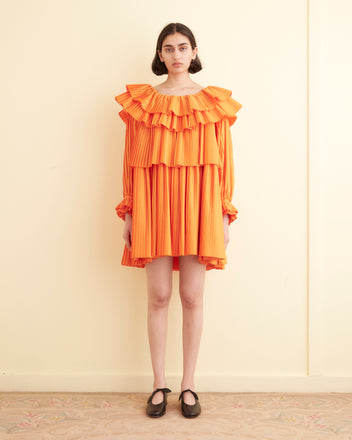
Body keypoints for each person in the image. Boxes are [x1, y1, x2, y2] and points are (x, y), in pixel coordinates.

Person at [114, 22, 242, 418]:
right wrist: (131, 210)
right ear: (160, 55)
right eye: (167, 48)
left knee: (191, 296)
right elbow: (131, 162)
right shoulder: (143, 103)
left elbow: (224, 162)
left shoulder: (212, 102)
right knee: (159, 296)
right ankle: (158, 384)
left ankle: (188, 385)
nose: (175, 55)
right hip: (154, 202)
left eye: (182, 47)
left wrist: (223, 212)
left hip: (200, 204)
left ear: (194, 51)